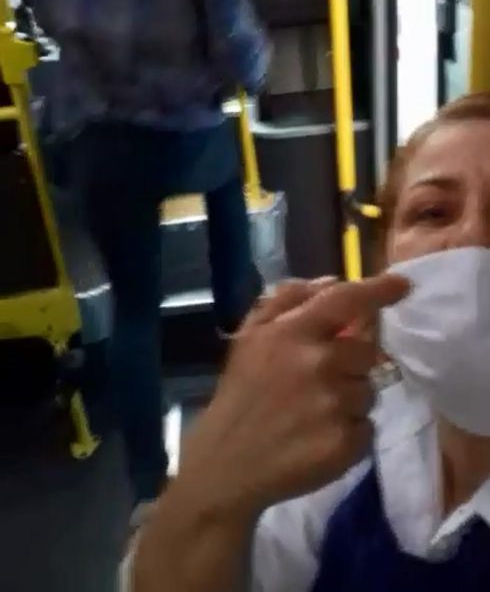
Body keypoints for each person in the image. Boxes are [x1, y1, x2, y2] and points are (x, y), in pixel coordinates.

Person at [22, 0, 269, 516]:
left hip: (100, 144)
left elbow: (45, 21)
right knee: (227, 185)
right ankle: (235, 311)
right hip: (184, 137)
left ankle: (145, 489)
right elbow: (245, 63)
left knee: (134, 307)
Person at [122, 92, 490, 590]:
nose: (472, 239)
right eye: (433, 213)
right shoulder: (345, 443)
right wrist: (213, 480)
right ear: (385, 264)